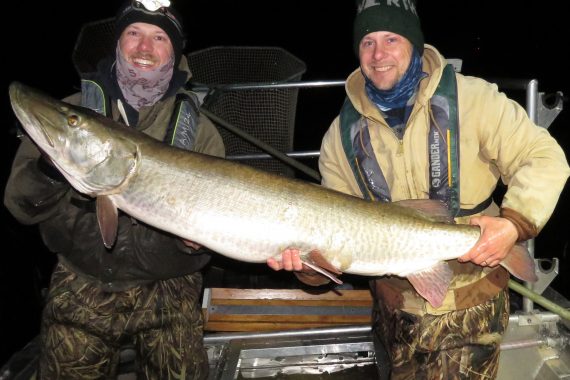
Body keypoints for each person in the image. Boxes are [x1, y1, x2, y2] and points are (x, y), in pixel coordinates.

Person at [268, 0, 570, 379]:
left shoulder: (474, 98)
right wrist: (307, 267)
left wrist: (513, 224)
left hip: (473, 304)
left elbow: (543, 157)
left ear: (414, 44)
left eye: (391, 39)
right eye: (367, 42)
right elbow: (332, 237)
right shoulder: (338, 137)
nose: (378, 55)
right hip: (395, 313)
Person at [4, 1, 224, 378]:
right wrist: (50, 167)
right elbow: (22, 208)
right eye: (133, 34)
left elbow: (210, 237)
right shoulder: (71, 112)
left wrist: (194, 241)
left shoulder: (201, 132)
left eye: (159, 38)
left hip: (169, 290)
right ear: (118, 43)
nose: (144, 48)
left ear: (174, 52)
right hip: (81, 283)